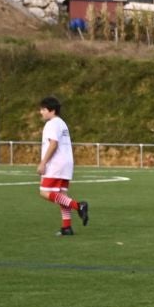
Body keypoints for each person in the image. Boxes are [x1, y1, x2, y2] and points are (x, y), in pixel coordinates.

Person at [38, 97, 89, 236]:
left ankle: (79, 206)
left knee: (44, 192)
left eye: (43, 109)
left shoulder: (51, 124)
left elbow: (53, 144)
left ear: (52, 110)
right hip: (66, 163)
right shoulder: (62, 123)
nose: (41, 112)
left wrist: (43, 163)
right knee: (62, 195)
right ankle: (67, 227)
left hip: (56, 164)